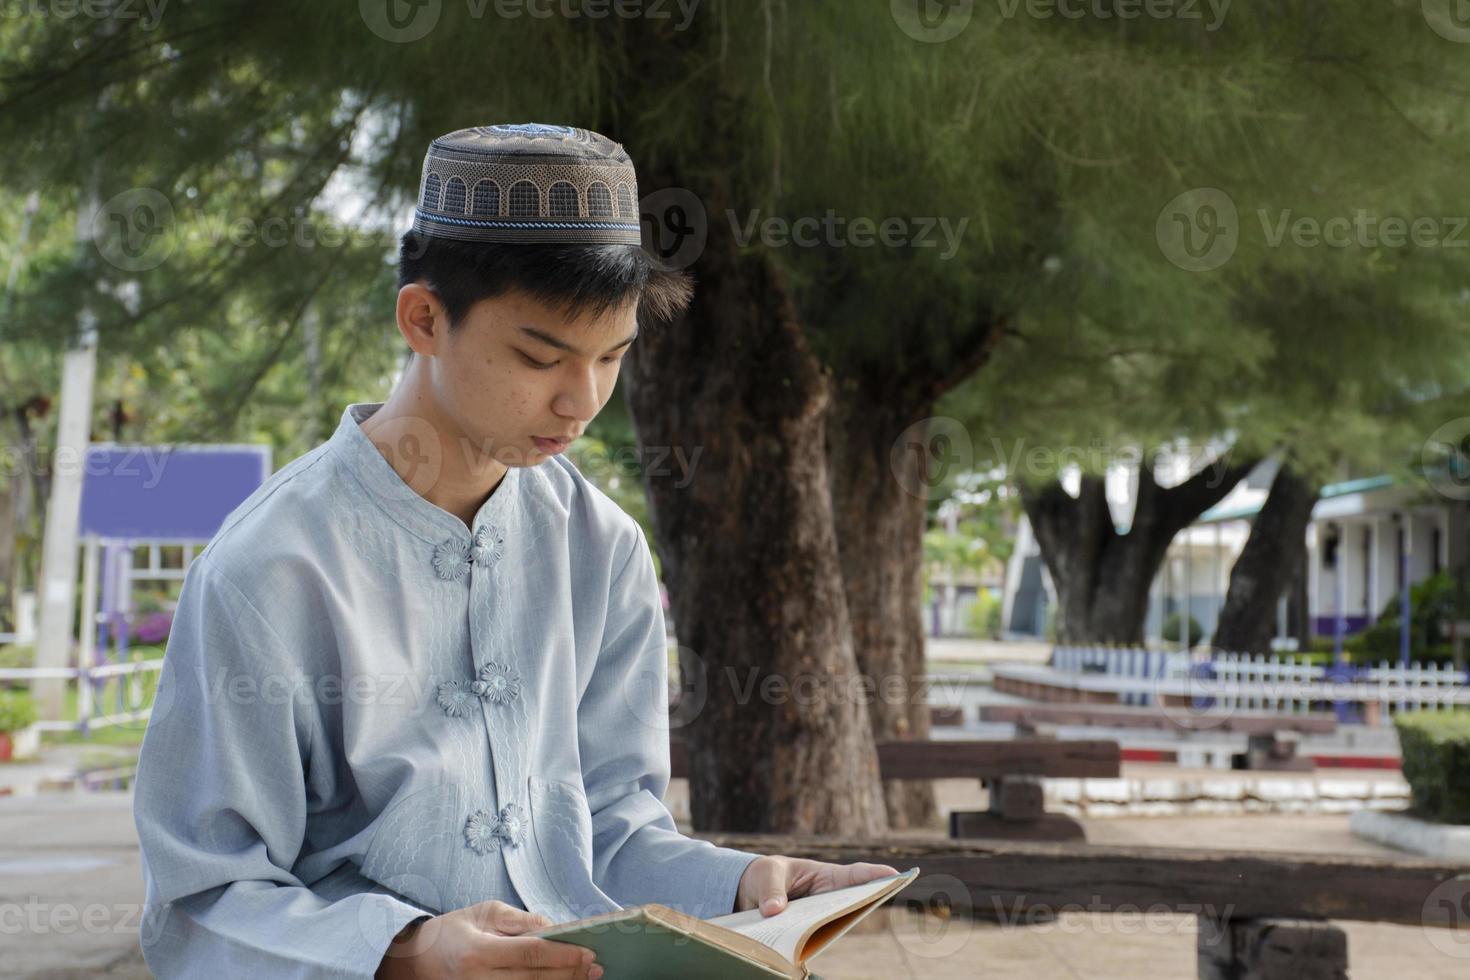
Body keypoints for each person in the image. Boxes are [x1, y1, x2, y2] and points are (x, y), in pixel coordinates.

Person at [132, 123, 897, 980]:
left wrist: (751, 882)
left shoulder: (601, 547)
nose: (582, 401)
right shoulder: (269, 568)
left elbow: (605, 824)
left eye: (613, 357)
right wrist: (408, 950)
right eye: (541, 356)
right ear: (424, 318)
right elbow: (204, 903)